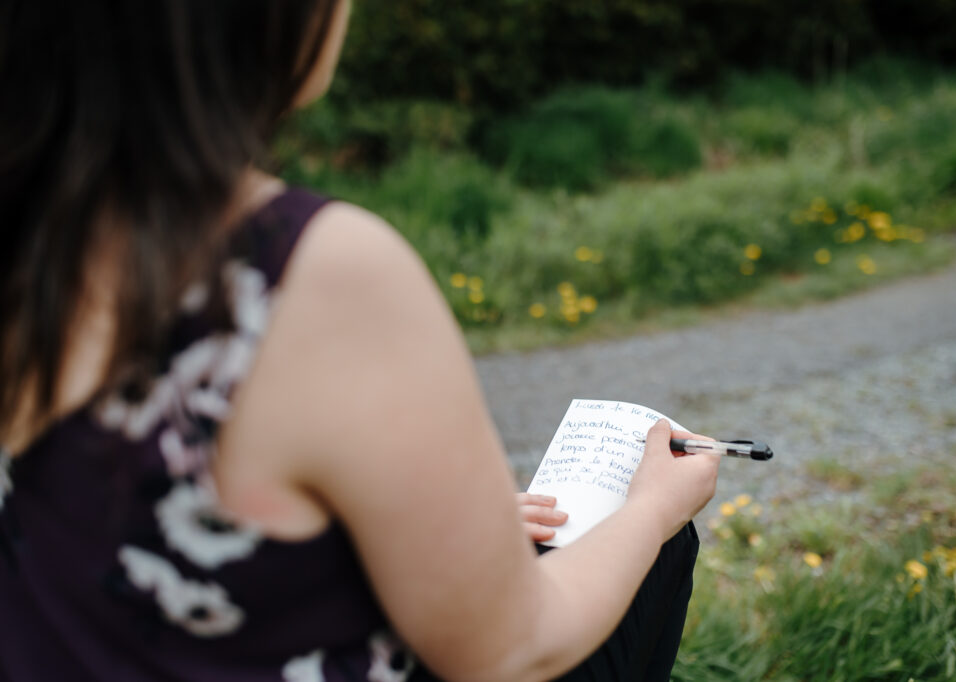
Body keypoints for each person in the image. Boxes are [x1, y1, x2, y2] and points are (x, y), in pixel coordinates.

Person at [0, 2, 720, 680]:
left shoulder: (37, 241)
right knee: (650, 546)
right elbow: (513, 649)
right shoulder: (310, 269)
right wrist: (652, 509)